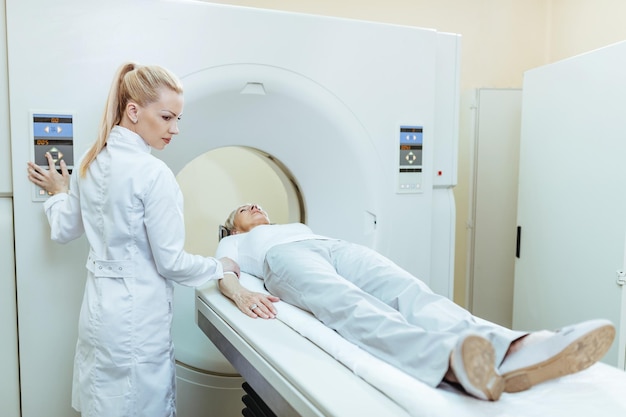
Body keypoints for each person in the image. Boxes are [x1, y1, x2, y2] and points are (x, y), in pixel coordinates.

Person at [215, 203, 616, 401]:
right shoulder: (234, 241)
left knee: (410, 292)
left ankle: (516, 346)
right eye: (245, 208)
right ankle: (447, 363)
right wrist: (241, 292)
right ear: (234, 225)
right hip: (285, 261)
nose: (256, 206)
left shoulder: (293, 224)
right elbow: (224, 271)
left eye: (258, 203)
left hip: (332, 247)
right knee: (348, 303)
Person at [26, 62, 239, 417]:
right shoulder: (154, 174)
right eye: (168, 117)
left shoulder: (88, 162)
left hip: (97, 315)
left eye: (178, 119)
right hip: (137, 320)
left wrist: (58, 193)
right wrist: (220, 266)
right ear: (134, 110)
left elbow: (64, 230)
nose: (175, 129)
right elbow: (171, 263)